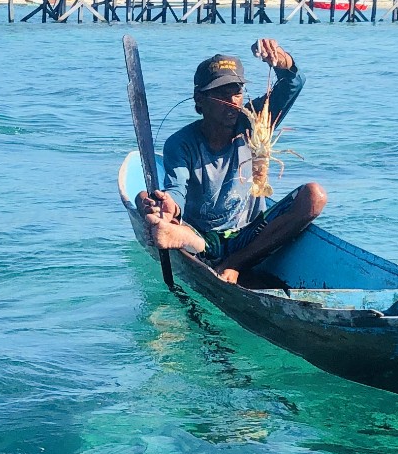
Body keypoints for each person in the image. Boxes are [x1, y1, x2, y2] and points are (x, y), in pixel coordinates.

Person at [138, 38, 327, 285]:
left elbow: (293, 82)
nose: (232, 101)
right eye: (220, 93)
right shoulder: (181, 143)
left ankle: (233, 264)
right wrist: (168, 206)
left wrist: (281, 60)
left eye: (236, 92)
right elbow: (176, 191)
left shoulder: (253, 122)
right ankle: (183, 239)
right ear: (199, 99)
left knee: (315, 196)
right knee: (151, 204)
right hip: (205, 236)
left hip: (252, 233)